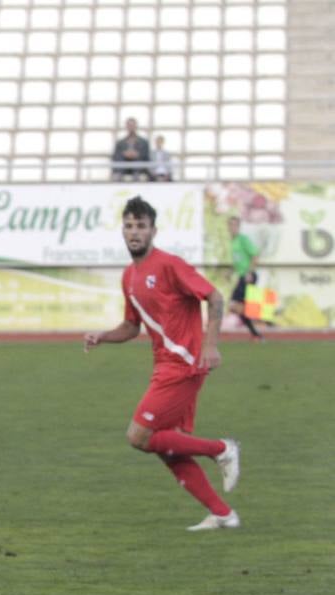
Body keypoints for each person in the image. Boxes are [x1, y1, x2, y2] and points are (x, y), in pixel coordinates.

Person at [83, 196, 242, 531]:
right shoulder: (129, 276)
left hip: (183, 365)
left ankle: (221, 449)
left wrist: (211, 345)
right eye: (128, 226)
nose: (134, 232)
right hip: (164, 366)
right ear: (122, 231)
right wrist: (102, 336)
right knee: (169, 448)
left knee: (139, 436)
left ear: (153, 230)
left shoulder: (170, 265)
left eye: (141, 226)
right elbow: (131, 327)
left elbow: (214, 297)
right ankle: (223, 515)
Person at [225, 215, 264, 340]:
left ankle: (256, 330)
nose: (232, 227)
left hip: (248, 276)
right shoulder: (233, 241)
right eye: (230, 225)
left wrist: (249, 272)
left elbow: (255, 255)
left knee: (235, 305)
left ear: (239, 226)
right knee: (237, 306)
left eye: (235, 225)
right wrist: (231, 271)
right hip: (242, 276)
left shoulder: (243, 239)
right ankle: (255, 333)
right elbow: (239, 260)